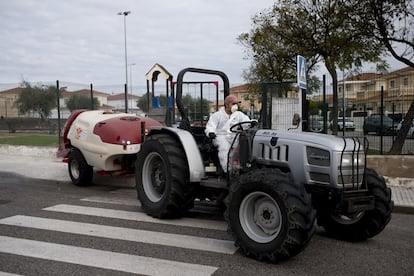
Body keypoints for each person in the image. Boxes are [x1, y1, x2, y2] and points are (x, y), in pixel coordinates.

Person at [205, 95, 250, 173]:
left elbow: (246, 123)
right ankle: (228, 170)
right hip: (220, 136)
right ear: (227, 104)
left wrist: (251, 123)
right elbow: (210, 126)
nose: (235, 106)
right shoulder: (217, 115)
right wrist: (211, 132)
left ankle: (239, 168)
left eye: (236, 104)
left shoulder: (239, 115)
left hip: (234, 135)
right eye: (233, 104)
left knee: (241, 147)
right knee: (225, 148)